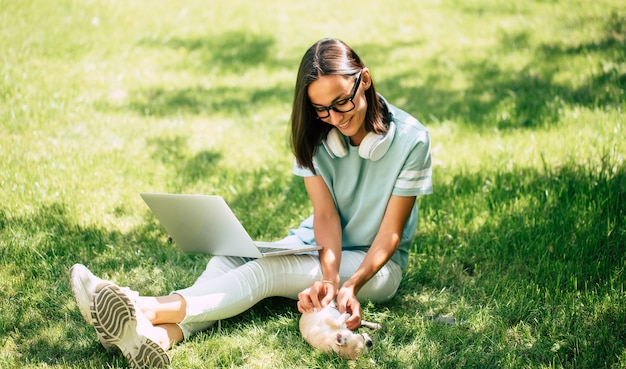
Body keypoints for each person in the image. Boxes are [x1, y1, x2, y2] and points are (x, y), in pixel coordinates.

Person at [69, 38, 432, 368]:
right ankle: (159, 338)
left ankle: (142, 308)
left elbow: (389, 234)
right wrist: (329, 276)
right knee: (230, 257)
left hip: (377, 267)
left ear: (364, 79)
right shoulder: (317, 134)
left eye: (342, 102)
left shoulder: (412, 140)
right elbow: (325, 214)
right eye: (322, 109)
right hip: (320, 245)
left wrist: (348, 285)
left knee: (264, 272)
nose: (335, 119)